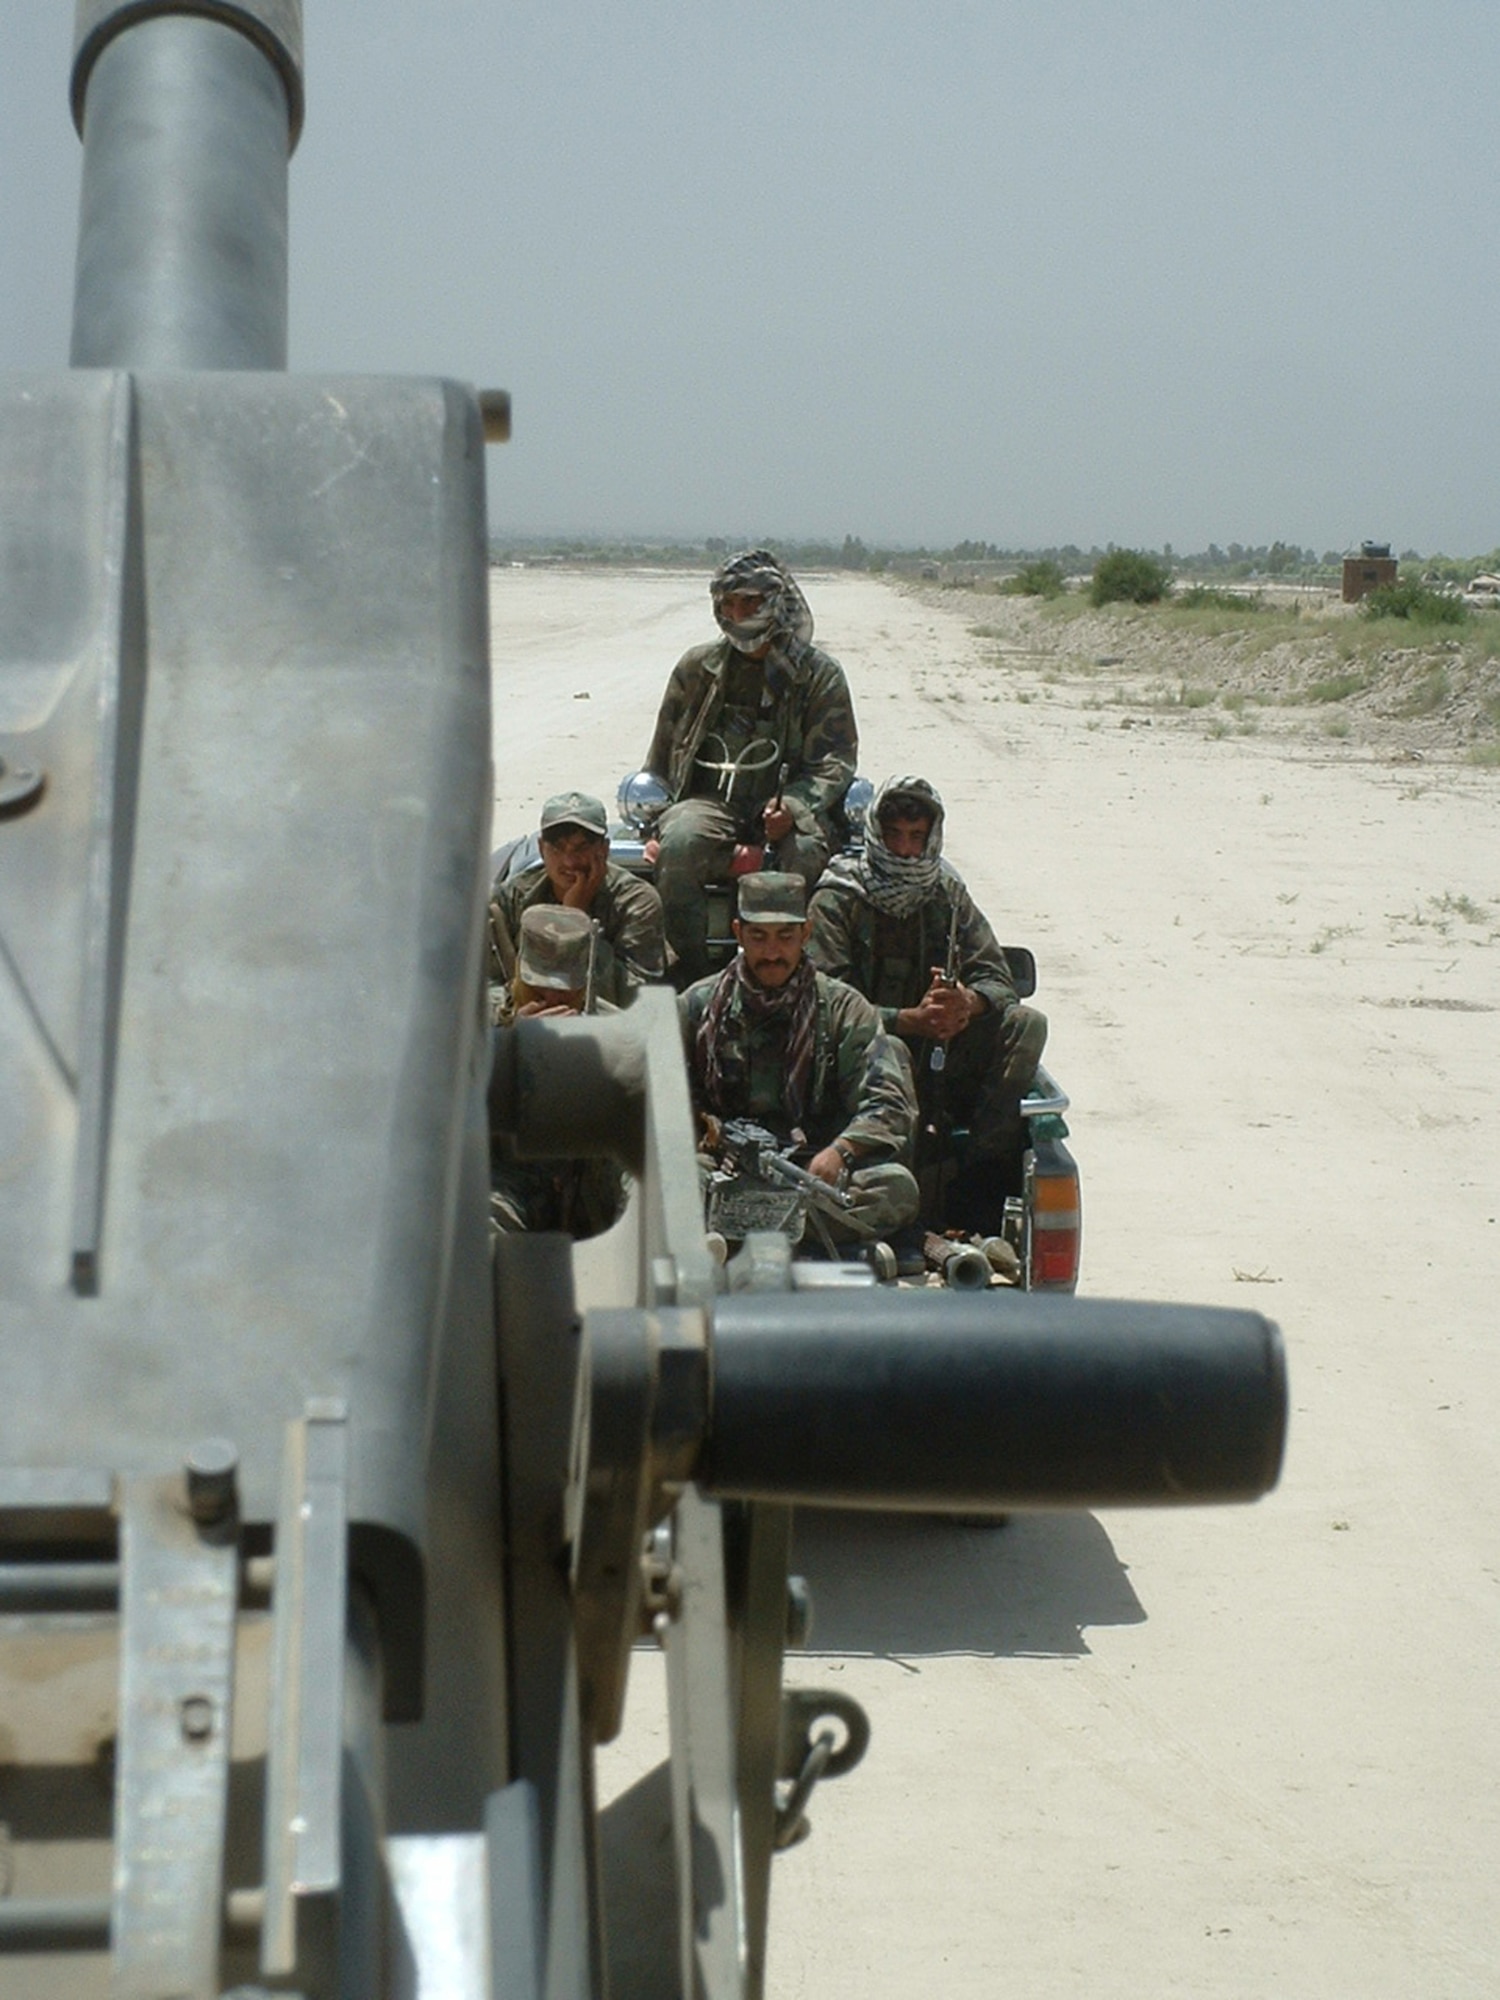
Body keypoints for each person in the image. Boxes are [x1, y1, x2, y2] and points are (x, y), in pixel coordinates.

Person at [806, 775, 1046, 1231]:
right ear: (876, 833)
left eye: (916, 837)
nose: (906, 851)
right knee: (892, 1053)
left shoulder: (946, 895)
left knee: (1026, 1025)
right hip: (858, 1060)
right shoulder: (837, 898)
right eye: (894, 836)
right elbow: (823, 1005)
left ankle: (979, 1187)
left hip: (943, 1050)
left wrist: (967, 1004)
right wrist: (908, 1022)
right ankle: (900, 1213)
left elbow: (996, 976)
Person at [643, 550, 858, 985]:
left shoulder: (818, 676)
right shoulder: (697, 668)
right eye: (728, 604)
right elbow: (665, 754)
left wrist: (795, 807)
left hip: (787, 809)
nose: (737, 614)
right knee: (681, 841)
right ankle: (690, 979)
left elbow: (835, 761)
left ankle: (791, 978)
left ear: (775, 602)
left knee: (806, 854)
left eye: (750, 603)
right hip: (710, 802)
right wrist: (655, 823)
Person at [679, 871, 918, 1247]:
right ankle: (784, 1234)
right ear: (738, 933)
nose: (772, 953)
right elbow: (653, 1091)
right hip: (723, 1164)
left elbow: (888, 1104)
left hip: (812, 1167)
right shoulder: (699, 1005)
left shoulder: (843, 1008)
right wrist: (702, 1128)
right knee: (671, 1182)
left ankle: (733, 1233)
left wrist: (840, 1151)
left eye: (785, 937)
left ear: (806, 934)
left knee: (895, 1189)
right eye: (758, 936)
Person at [489, 905, 626, 1238]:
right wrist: (511, 1052)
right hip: (507, 1185)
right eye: (537, 989)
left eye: (566, 991)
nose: (551, 999)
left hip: (590, 1192)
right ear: (520, 971)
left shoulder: (614, 1029)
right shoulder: (480, 1023)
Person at [487, 790, 664, 1021]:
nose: (569, 862)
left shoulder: (636, 902)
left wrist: (574, 922)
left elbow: (637, 997)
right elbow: (479, 986)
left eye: (581, 848)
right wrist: (511, 1014)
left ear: (603, 849)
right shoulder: (511, 899)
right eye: (557, 849)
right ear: (541, 849)